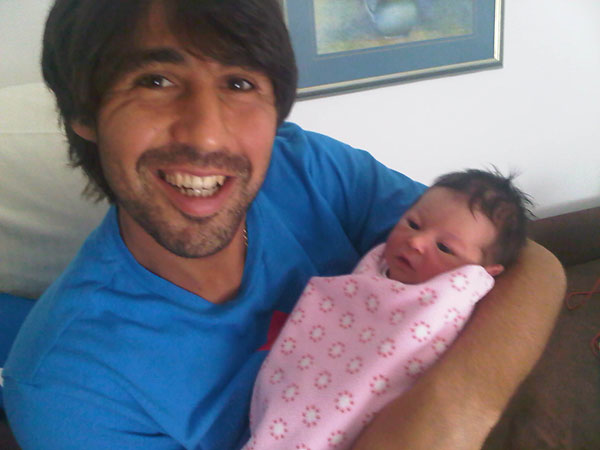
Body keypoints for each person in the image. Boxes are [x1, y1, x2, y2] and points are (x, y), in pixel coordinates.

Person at [2, 1, 565, 449]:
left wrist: (448, 413)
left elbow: (530, 263)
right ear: (83, 114)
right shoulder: (69, 387)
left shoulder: (305, 167)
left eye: (239, 83)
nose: (207, 134)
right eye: (155, 80)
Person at [244, 170, 530, 449]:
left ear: (482, 272)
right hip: (303, 391)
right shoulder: (377, 266)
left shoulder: (451, 299)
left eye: (444, 247)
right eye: (413, 223)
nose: (416, 242)